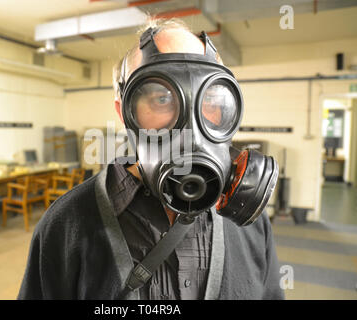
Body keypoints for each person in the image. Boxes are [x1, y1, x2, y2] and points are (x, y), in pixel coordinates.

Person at [17, 18, 284, 300]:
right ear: (124, 113)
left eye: (210, 100)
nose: (190, 127)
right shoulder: (67, 225)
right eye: (161, 98)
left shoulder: (248, 223)